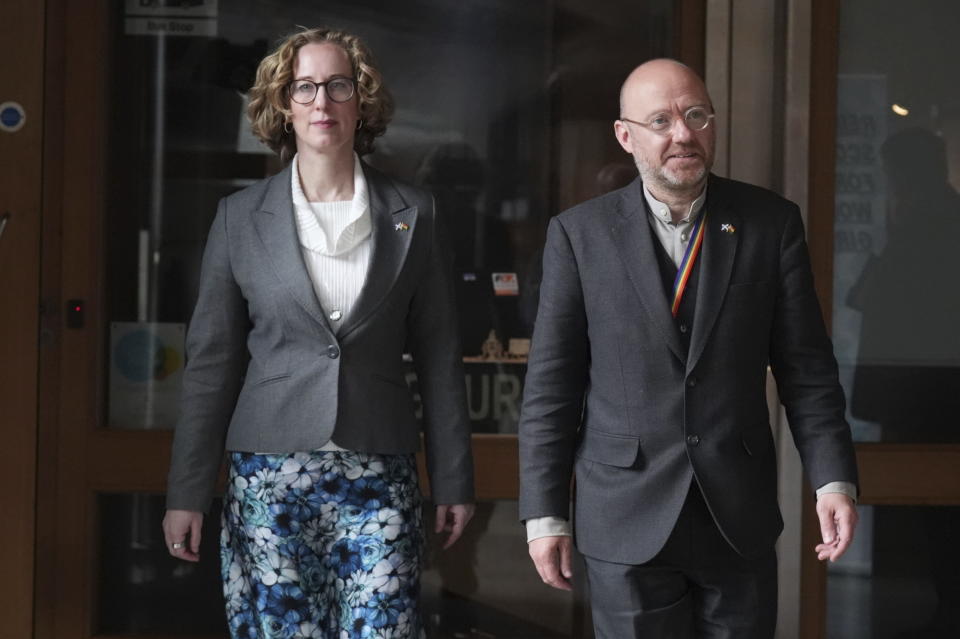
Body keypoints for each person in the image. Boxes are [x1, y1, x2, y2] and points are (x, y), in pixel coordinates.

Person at [518, 58, 859, 638]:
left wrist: (832, 480)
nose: (683, 134)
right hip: (624, 515)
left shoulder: (769, 224)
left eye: (696, 115)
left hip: (737, 513)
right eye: (661, 121)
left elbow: (807, 370)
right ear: (626, 136)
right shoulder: (579, 236)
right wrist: (544, 513)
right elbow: (553, 387)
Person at [162, 27, 475, 639]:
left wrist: (455, 479)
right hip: (268, 477)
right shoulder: (238, 218)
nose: (322, 102)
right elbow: (211, 366)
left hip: (379, 476)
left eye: (338, 86)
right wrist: (187, 492)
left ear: (363, 102)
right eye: (304, 88)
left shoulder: (416, 211)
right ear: (283, 104)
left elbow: (440, 359)